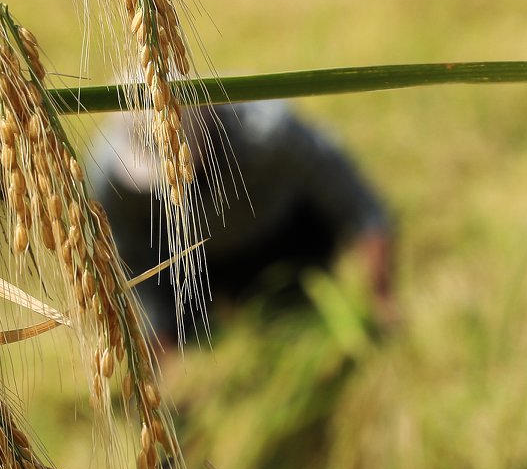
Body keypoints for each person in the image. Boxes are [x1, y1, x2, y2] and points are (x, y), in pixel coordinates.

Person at [87, 100, 397, 348]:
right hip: (197, 266)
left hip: (285, 241)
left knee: (295, 312)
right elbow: (133, 264)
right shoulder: (111, 179)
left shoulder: (271, 133)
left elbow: (356, 202)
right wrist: (159, 345)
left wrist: (381, 296)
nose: (174, 189)